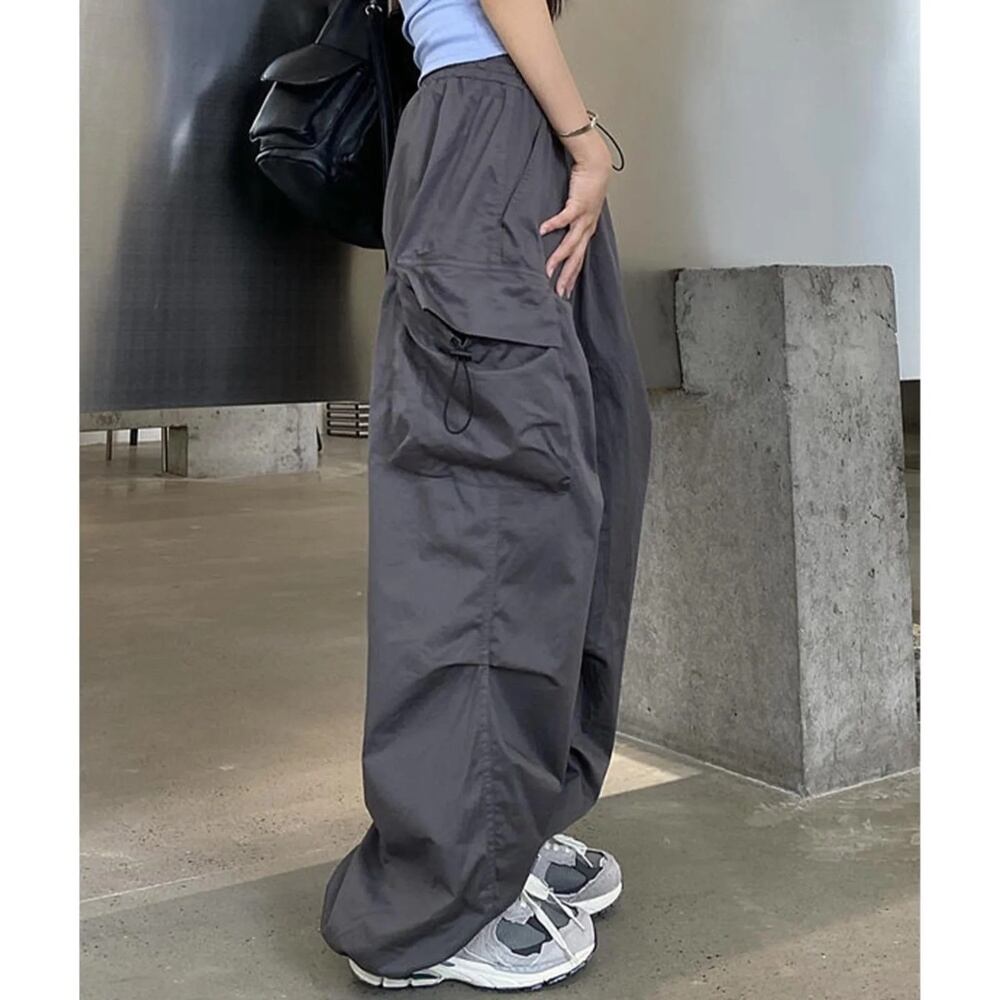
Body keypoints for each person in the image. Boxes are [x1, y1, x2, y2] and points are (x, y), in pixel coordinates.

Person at [320, 0, 652, 989]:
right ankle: (437, 897)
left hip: (510, 133)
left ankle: (509, 827)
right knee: (488, 518)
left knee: (566, 493)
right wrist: (581, 137)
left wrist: (563, 137)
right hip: (494, 131)